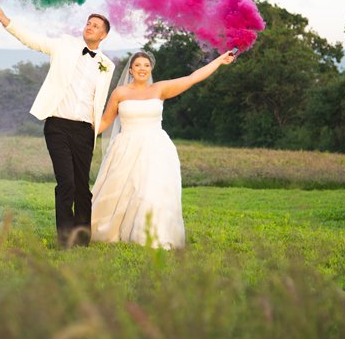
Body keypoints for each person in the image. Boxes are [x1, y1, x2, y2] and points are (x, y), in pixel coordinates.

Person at [0, 0, 116, 247]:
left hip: (84, 130)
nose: (89, 27)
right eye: (88, 23)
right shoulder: (65, 46)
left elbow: (98, 100)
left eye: (96, 25)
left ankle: (82, 239)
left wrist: (94, 129)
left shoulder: (107, 65)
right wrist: (5, 19)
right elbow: (32, 40)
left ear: (104, 34)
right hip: (57, 125)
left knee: (82, 187)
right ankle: (65, 239)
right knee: (66, 182)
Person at [92, 49, 237, 249]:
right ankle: (113, 231)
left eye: (146, 65)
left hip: (156, 148)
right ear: (131, 70)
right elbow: (105, 122)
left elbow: (192, 78)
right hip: (125, 148)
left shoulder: (160, 89)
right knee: (121, 192)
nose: (142, 69)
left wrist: (220, 60)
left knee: (152, 193)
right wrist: (78, 129)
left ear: (151, 68)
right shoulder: (120, 93)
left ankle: (151, 236)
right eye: (137, 65)